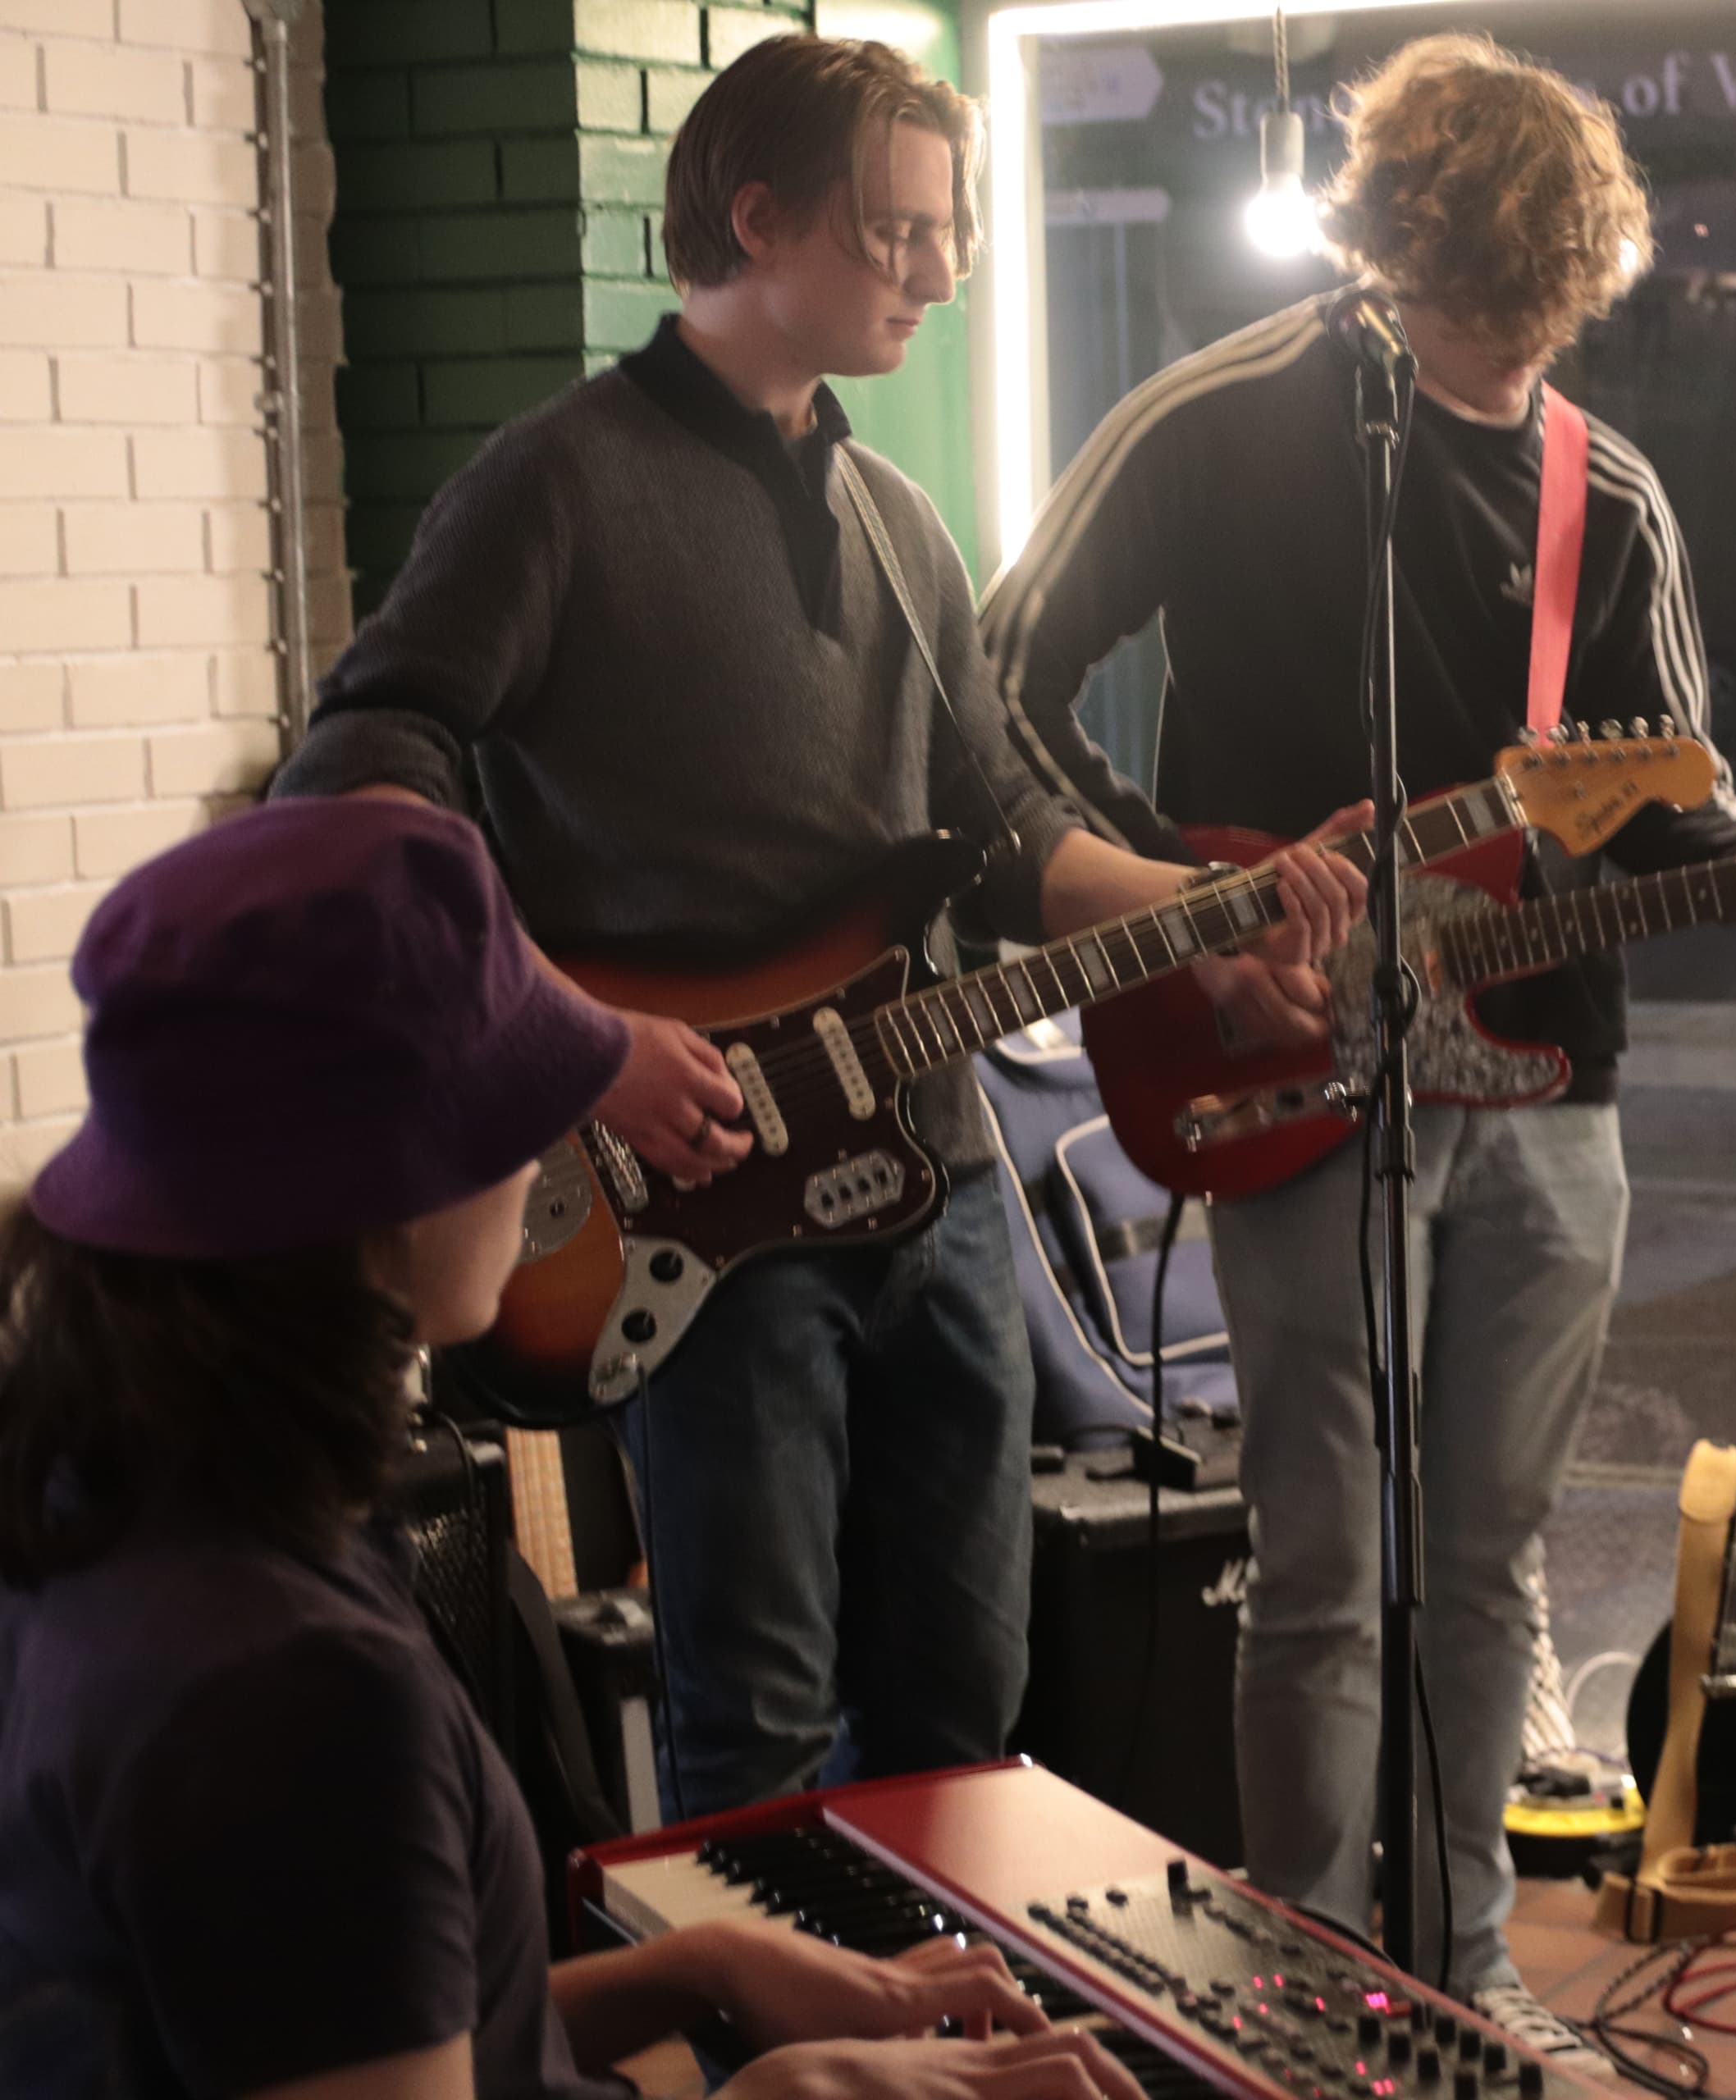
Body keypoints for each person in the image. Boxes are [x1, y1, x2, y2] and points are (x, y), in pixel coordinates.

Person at [267, 35, 1365, 1821]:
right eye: (895, 231)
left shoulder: (898, 518)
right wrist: (569, 1042)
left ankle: (923, 1993)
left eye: (954, 232)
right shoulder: (556, 484)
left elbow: (1005, 836)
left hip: (932, 1181)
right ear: (758, 218)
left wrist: (1211, 917)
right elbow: (355, 771)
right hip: (707, 1204)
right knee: (755, 1718)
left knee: (965, 1694)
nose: (941, 271)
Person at [980, 32, 1736, 2053]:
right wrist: (1188, 914)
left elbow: (1662, 803)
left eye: (1541, 314)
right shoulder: (1211, 423)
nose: (1509, 353)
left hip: (1547, 1086)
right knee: (1325, 1562)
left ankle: (1462, 1965)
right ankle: (1305, 1981)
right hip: (1280, 1054)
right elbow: (1004, 680)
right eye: (1476, 307)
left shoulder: (1611, 492)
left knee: (1489, 1566)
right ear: (1394, 247)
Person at [0, 798, 1151, 2100]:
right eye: (524, 1095)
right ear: (398, 1180)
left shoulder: (109, 1507)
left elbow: (349, 2029)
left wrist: (702, 1971)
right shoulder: (297, 1698)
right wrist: (774, 2095)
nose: (553, 1143)